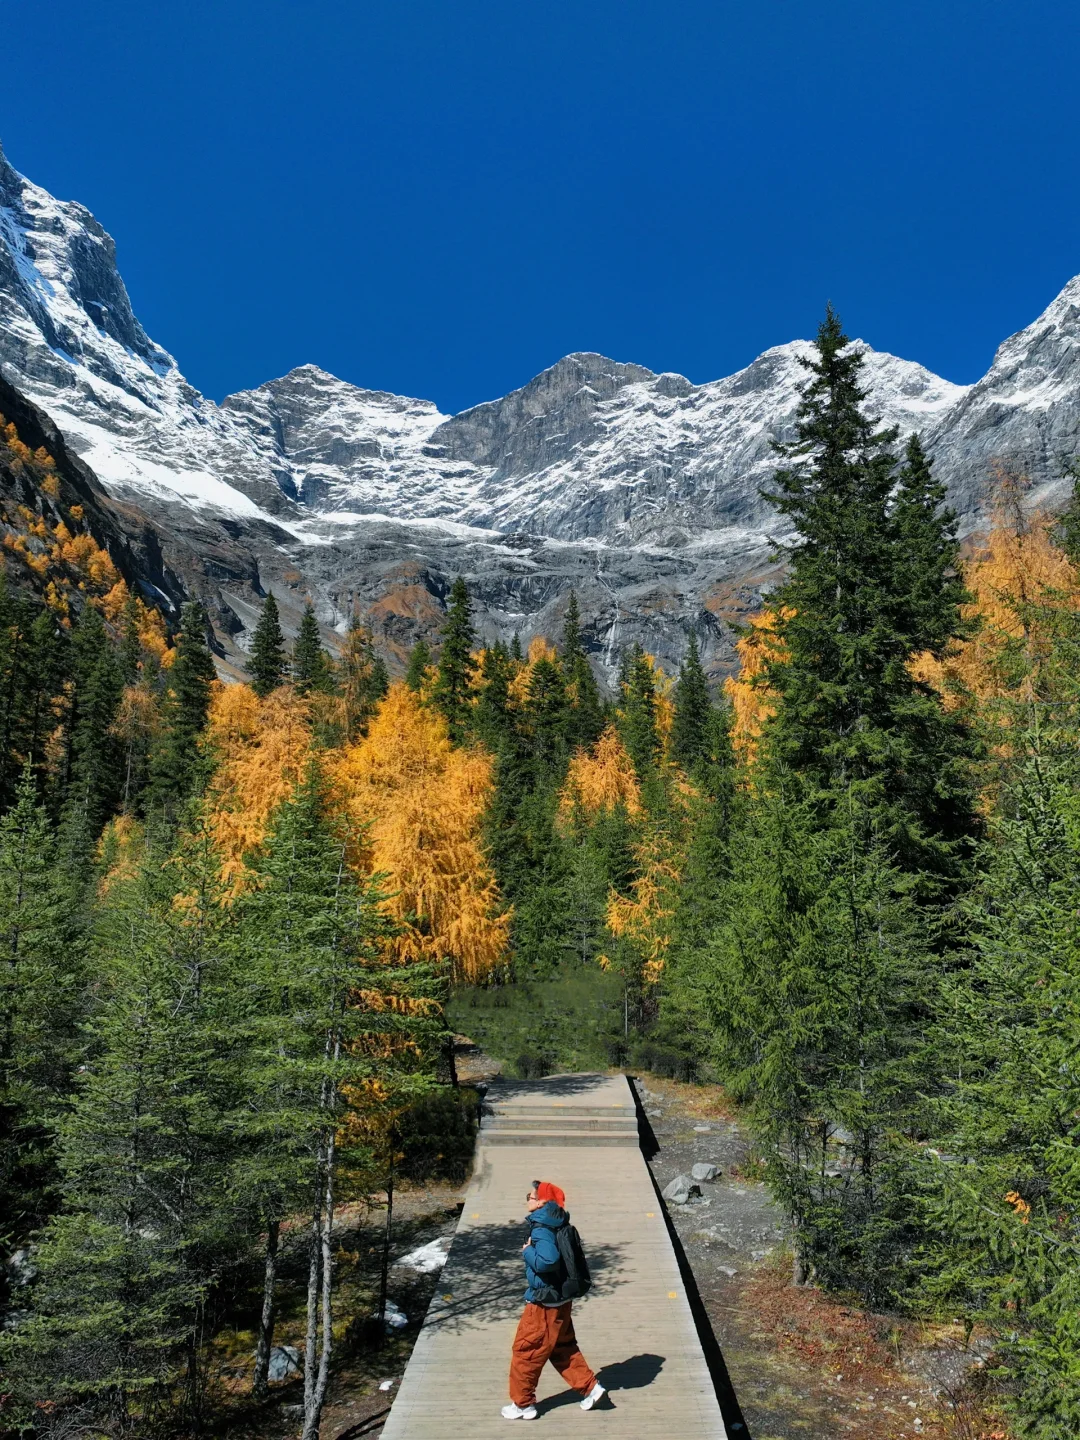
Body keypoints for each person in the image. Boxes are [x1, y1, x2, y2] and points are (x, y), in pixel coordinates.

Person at [501, 1179, 605, 1421]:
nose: (527, 1199)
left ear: (541, 1202)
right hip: (561, 1300)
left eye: (530, 1196)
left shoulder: (541, 1228)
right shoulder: (558, 1221)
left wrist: (527, 1251)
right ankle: (591, 1388)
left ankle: (523, 1405)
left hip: (543, 1304)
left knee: (526, 1351)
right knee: (562, 1348)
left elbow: (547, 1261)